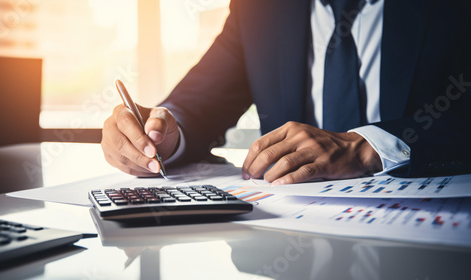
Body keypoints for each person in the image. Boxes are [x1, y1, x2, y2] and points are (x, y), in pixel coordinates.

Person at [101, 0, 471, 185]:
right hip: (291, 232)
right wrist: (163, 132)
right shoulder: (261, 9)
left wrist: (369, 145)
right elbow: (200, 102)